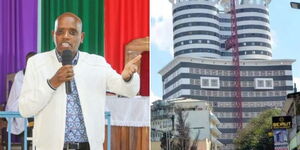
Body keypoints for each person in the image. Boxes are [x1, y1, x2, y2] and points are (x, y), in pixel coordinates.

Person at [19, 12, 140, 150]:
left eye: (72, 32)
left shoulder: (96, 63)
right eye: (60, 32)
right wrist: (52, 83)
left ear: (81, 37)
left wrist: (127, 77)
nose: (65, 36)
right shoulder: (36, 63)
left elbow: (127, 90)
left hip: (88, 146)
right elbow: (25, 109)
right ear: (53, 34)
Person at [5, 52, 36, 149]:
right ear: (26, 62)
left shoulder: (41, 75)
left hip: (36, 107)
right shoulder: (19, 76)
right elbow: (16, 95)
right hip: (21, 106)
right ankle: (24, 147)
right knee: (24, 120)